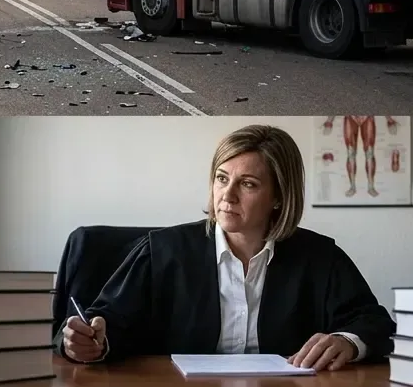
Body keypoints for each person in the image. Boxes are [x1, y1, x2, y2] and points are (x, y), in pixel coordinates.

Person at [59, 125, 395, 370]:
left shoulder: (321, 257)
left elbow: (374, 322)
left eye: (247, 184)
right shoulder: (159, 251)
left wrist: (348, 342)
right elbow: (105, 322)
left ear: (278, 197)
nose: (227, 195)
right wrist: (88, 341)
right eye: (222, 178)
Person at [321, 117, 400, 198]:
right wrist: (329, 120)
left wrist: (389, 119)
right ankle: (352, 187)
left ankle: (370, 186)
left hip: (367, 115)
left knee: (369, 153)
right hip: (350, 115)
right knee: (351, 153)